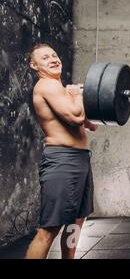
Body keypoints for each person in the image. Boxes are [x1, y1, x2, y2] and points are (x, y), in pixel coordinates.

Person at [25, 43, 97, 259]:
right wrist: (78, 95)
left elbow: (90, 125)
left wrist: (85, 96)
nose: (53, 59)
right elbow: (75, 116)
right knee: (49, 229)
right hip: (62, 161)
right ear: (34, 65)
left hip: (80, 159)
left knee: (76, 222)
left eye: (54, 55)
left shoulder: (62, 89)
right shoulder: (47, 86)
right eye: (45, 58)